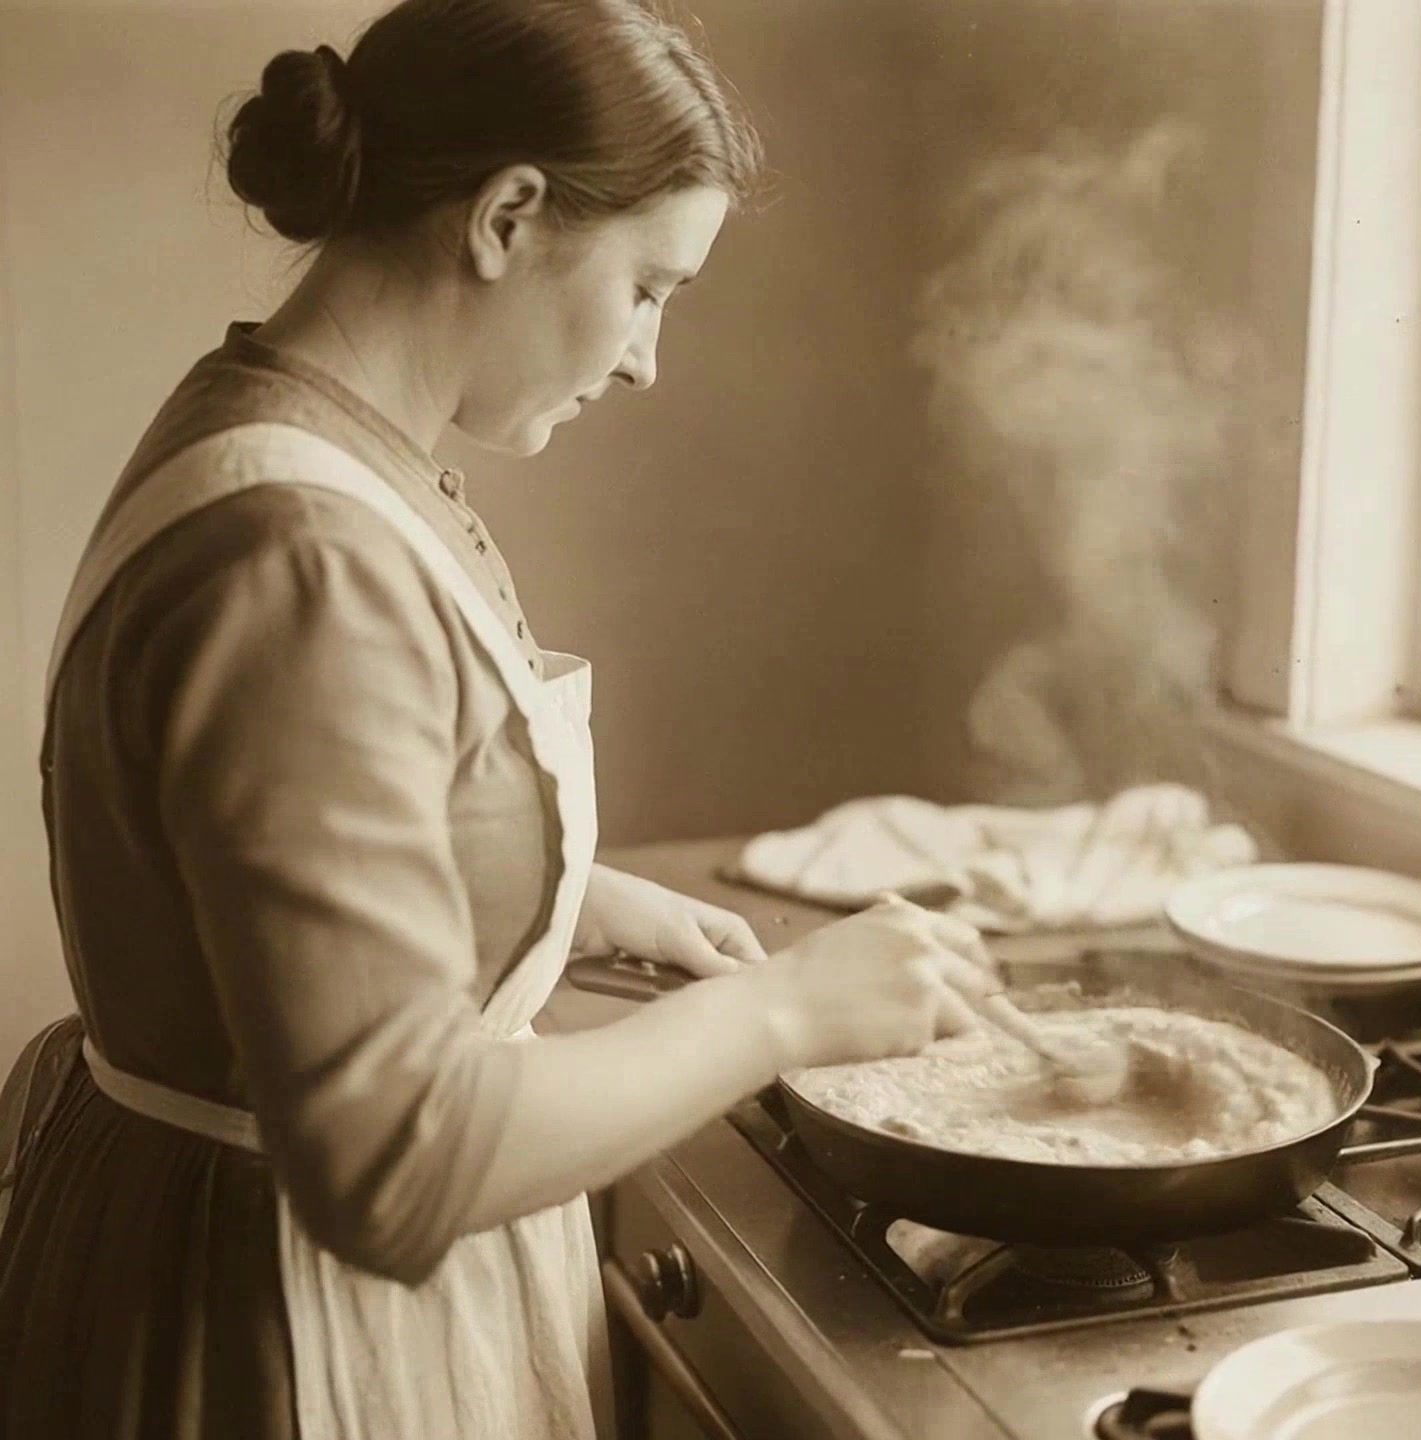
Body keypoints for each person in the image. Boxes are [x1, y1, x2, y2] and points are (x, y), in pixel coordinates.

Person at [0, 2, 996, 1436]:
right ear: (510, 215)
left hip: (236, 1248)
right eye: (651, 285)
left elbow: (266, 840)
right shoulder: (303, 558)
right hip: (268, 1324)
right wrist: (785, 1010)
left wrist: (569, 904)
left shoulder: (290, 421)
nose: (651, 357)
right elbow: (395, 1162)